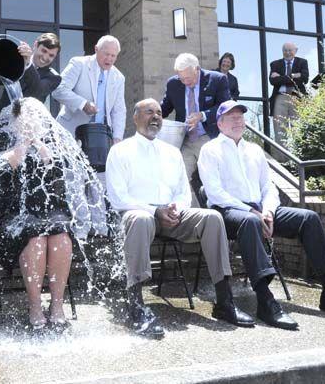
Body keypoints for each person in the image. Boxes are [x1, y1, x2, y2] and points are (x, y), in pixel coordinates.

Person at [197, 100, 325, 330]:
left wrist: (267, 210)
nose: (238, 120)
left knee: (308, 218)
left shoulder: (254, 149)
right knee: (249, 222)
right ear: (220, 123)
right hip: (228, 213)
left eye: (240, 116)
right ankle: (265, 301)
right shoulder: (210, 150)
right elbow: (215, 193)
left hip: (260, 210)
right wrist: (252, 212)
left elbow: (268, 187)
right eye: (231, 117)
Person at [105, 98, 254, 338]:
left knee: (212, 218)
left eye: (159, 113)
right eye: (149, 112)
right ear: (135, 117)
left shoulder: (171, 152)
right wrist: (155, 211)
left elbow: (183, 191)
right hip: (139, 215)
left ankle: (224, 301)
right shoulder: (120, 150)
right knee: (141, 219)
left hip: (172, 216)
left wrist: (176, 208)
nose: (155, 116)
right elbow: (118, 197)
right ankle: (136, 305)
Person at [0, 98, 106, 332]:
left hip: (51, 215)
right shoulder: (3, 142)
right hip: (14, 219)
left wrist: (39, 145)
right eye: (26, 118)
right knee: (37, 239)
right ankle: (35, 305)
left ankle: (57, 305)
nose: (31, 122)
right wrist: (23, 144)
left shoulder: (53, 145)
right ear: (15, 121)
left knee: (61, 237)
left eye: (36, 118)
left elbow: (58, 176)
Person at [160, 53, 230, 203]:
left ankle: (222, 214)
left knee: (215, 180)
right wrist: (151, 112)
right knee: (178, 179)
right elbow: (164, 108)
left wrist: (202, 115)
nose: (185, 82)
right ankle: (193, 214)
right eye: (182, 78)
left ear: (197, 69)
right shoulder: (173, 84)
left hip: (208, 138)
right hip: (185, 140)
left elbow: (225, 107)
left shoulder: (217, 80)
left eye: (189, 78)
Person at [0, 32, 62, 140]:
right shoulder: (17, 59)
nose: (45, 57)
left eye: (51, 55)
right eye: (44, 50)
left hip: (23, 135)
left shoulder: (54, 77)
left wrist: (28, 64)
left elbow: (37, 91)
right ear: (35, 45)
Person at [51, 35, 126, 144]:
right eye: (106, 54)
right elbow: (58, 90)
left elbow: (119, 110)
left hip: (101, 138)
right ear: (96, 49)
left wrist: (117, 138)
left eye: (113, 56)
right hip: (70, 133)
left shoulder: (119, 77)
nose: (109, 59)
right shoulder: (79, 63)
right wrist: (83, 104)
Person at [268, 42, 309, 159]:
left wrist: (282, 77)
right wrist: (294, 76)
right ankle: (282, 160)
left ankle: (299, 158)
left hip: (297, 97)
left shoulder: (302, 62)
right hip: (280, 97)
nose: (287, 52)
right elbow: (273, 82)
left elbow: (304, 79)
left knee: (298, 128)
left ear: (295, 51)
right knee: (280, 129)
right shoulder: (275, 64)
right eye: (285, 50)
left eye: (290, 50)